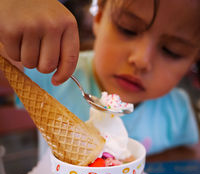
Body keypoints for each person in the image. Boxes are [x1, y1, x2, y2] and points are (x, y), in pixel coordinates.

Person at [1, 0, 200, 157]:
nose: (141, 60)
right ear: (99, 18)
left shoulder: (178, 109)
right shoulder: (51, 71)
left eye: (172, 51)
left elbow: (188, 160)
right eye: (127, 29)